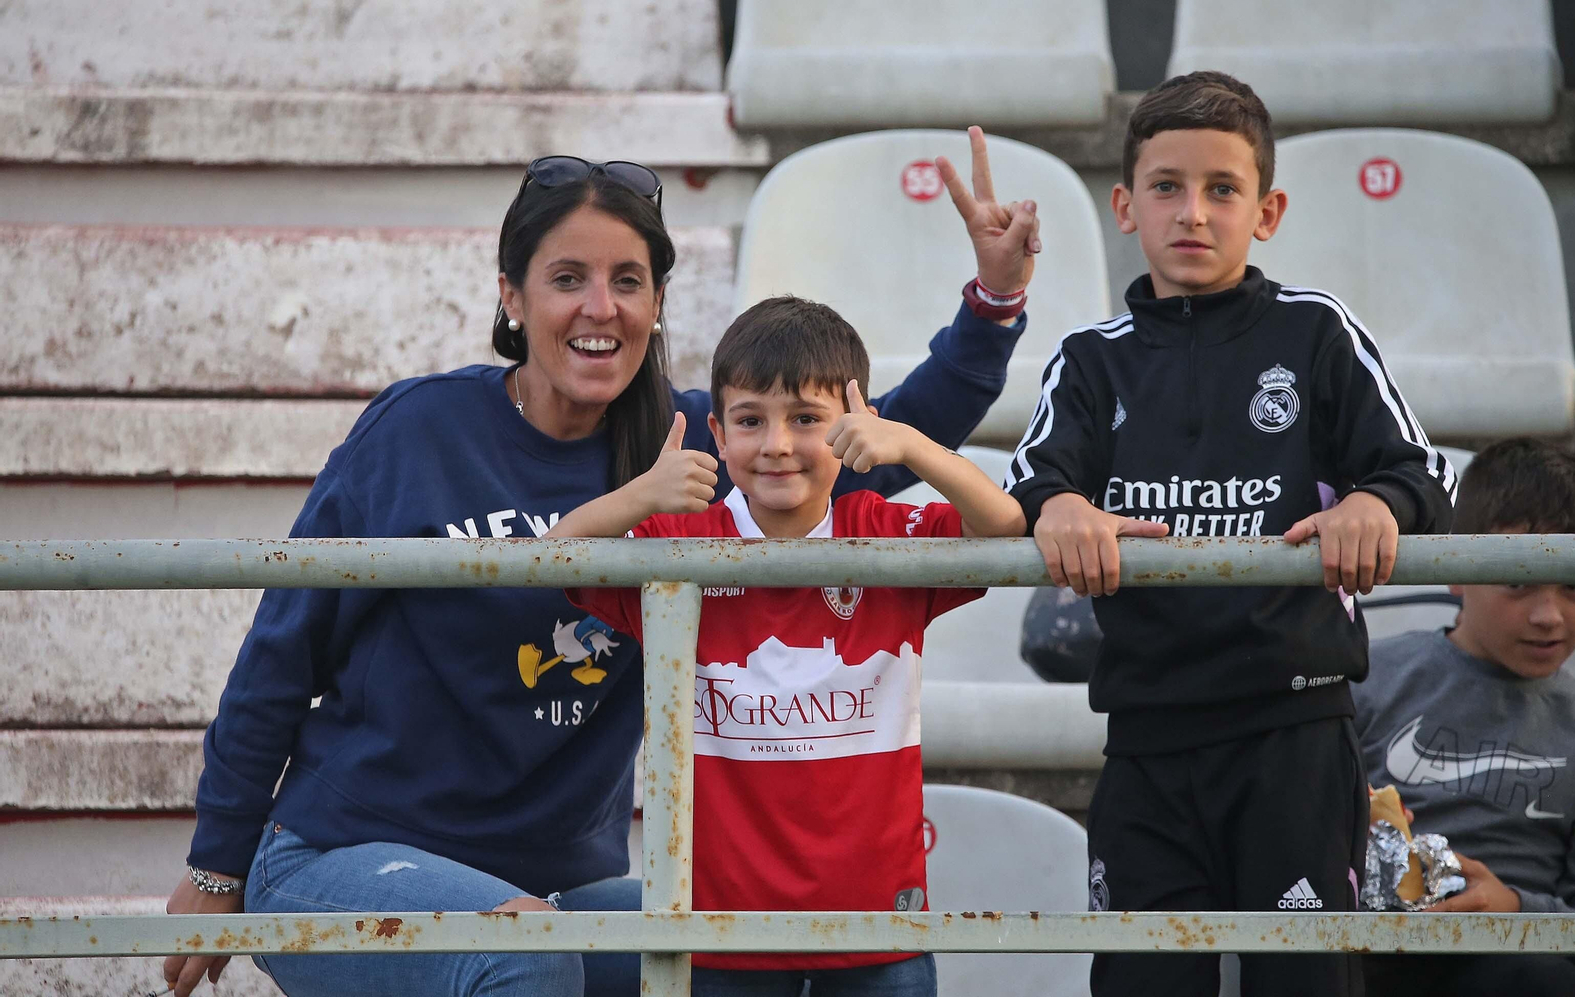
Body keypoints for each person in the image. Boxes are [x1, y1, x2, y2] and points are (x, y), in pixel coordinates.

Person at [159, 137, 1041, 997]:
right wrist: (216, 859)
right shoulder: (417, 432)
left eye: (628, 282)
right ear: (511, 296)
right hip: (351, 851)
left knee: (741, 943)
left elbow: (871, 439)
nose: (600, 308)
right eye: (566, 279)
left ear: (658, 302)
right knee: (529, 957)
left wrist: (995, 303)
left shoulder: (696, 442)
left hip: (554, 881)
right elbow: (282, 651)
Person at [1003, 71, 1456, 997]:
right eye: (1166, 187)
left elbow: (1422, 468)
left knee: (1304, 985)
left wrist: (1377, 504)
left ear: (1269, 208)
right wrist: (1060, 508)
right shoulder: (1093, 359)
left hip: (1291, 727)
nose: (1193, 214)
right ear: (1126, 205)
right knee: (1144, 985)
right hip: (1147, 733)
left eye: (1223, 189)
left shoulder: (1317, 334)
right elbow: (1028, 481)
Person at [559, 295, 1025, 996]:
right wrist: (642, 495)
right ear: (717, 433)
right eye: (751, 420)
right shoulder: (680, 545)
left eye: (806, 419)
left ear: (853, 426)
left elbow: (1003, 526)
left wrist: (914, 446)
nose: (777, 443)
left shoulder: (882, 532)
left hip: (879, 925)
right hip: (719, 927)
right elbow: (555, 558)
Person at [1355, 438, 1575, 997]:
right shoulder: (1370, 681)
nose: (1548, 616)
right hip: (1369, 951)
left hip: (1513, 966)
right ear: (1456, 569)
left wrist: (1513, 907)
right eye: (1517, 581)